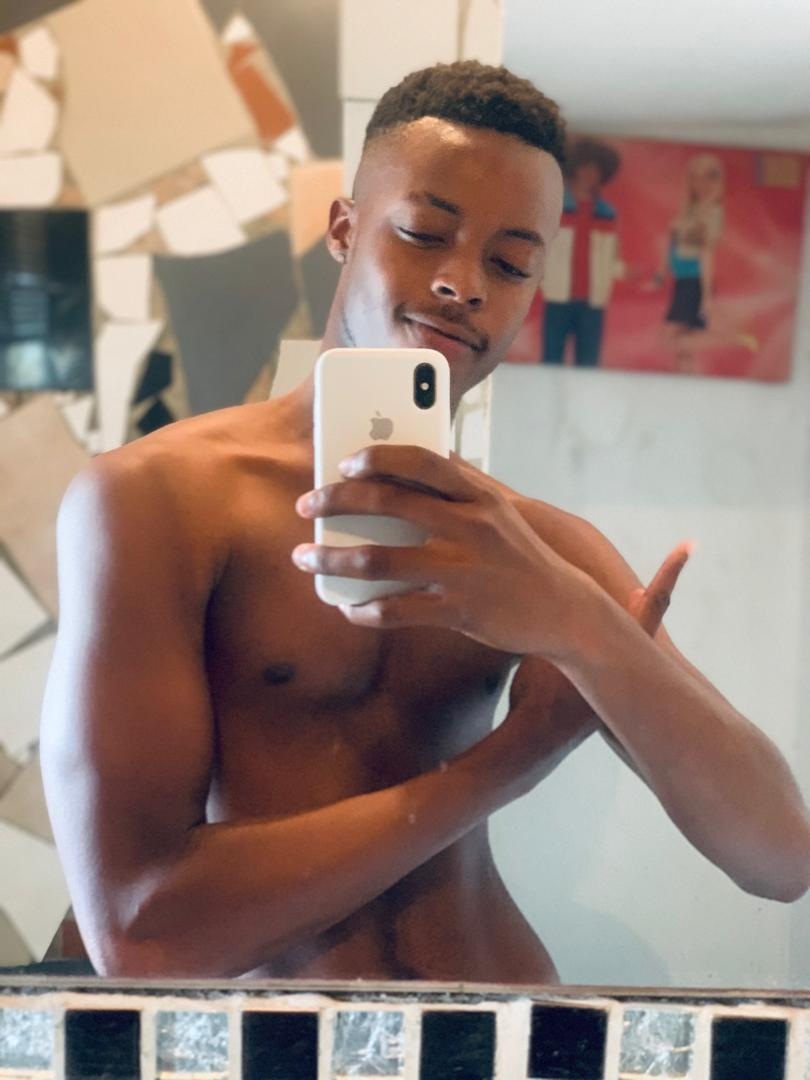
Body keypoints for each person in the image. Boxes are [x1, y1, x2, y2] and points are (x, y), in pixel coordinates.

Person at [40, 61, 810, 983]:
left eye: (510, 264)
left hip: (501, 1033)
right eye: (423, 234)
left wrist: (582, 626)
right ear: (343, 229)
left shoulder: (539, 550)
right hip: (265, 1042)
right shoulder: (160, 501)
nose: (463, 284)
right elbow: (142, 933)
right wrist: (510, 760)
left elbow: (780, 858)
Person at [656, 152, 757, 371]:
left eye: (708, 177)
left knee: (669, 340)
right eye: (695, 177)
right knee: (684, 344)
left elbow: (706, 254)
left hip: (694, 282)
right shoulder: (691, 210)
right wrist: (662, 273)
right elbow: (674, 246)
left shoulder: (712, 213)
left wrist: (706, 295)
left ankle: (735, 339)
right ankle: (686, 374)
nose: (700, 184)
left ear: (716, 182)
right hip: (683, 281)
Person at [540, 138, 623, 366]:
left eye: (595, 171)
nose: (589, 175)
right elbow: (542, 247)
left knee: (588, 361)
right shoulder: (555, 207)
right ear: (574, 169)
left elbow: (611, 256)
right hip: (558, 295)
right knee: (551, 358)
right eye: (585, 168)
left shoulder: (607, 213)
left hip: (593, 300)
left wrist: (624, 272)